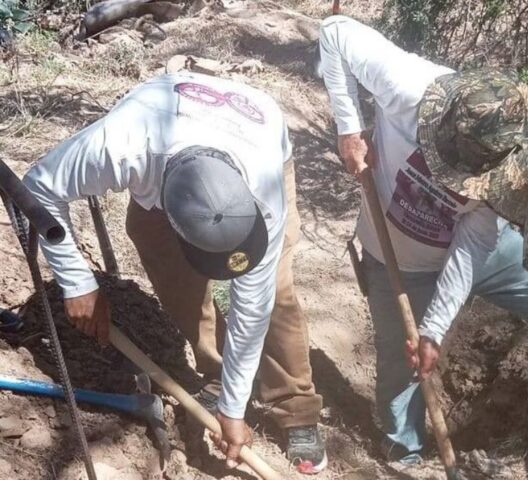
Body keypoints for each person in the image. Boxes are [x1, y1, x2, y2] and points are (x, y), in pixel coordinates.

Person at [318, 15, 528, 464]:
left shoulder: (508, 161)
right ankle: (405, 452)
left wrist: (434, 330)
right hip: (396, 259)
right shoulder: (407, 85)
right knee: (403, 371)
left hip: (477, 247)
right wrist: (348, 127)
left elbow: (471, 244)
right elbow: (334, 32)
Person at [22, 72, 326, 474]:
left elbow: (252, 309)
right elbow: (39, 186)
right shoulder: (122, 147)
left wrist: (234, 413)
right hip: (165, 146)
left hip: (254, 127)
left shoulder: (263, 190)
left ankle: (295, 407)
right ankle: (217, 369)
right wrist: (77, 282)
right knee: (169, 264)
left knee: (275, 293)